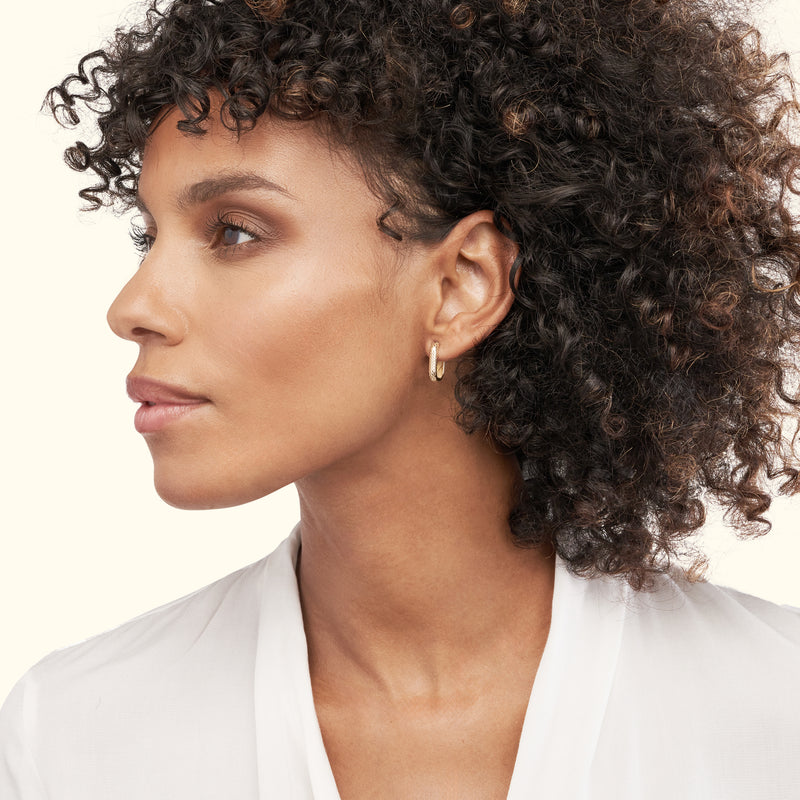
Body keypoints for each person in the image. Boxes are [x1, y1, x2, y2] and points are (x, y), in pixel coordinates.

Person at [2, 0, 800, 796]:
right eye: (150, 237)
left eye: (235, 232)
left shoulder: (773, 713)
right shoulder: (74, 740)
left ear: (460, 287)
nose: (132, 307)